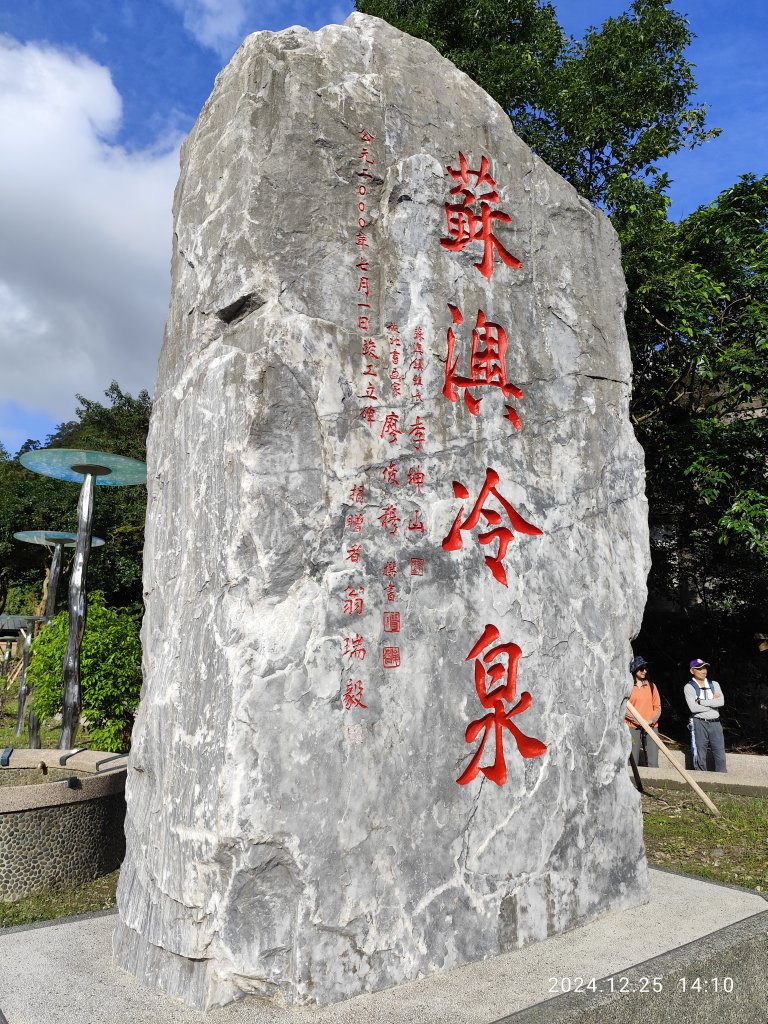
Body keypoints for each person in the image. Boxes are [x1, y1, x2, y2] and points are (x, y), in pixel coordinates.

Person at [684, 658, 726, 772]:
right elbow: (693, 708)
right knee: (700, 753)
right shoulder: (689, 687)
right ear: (692, 671)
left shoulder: (714, 684)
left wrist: (701, 702)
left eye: (704, 668)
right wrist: (713, 702)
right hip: (699, 723)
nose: (703, 671)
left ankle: (722, 780)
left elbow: (721, 702)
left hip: (715, 723)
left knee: (720, 753)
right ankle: (701, 779)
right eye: (699, 669)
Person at [625, 656, 661, 767]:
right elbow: (624, 709)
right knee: (632, 761)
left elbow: (658, 707)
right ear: (635, 669)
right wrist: (638, 721)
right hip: (632, 727)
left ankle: (655, 782)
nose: (644, 671)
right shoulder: (628, 687)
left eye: (646, 668)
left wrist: (651, 721)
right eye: (641, 668)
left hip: (651, 727)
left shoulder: (651, 686)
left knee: (653, 761)